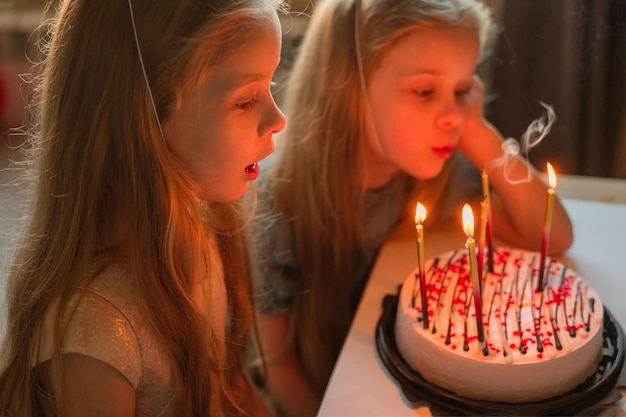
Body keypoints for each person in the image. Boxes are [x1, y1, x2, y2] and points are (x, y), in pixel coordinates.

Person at [250, 0, 574, 415]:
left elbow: (554, 236)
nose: (452, 115)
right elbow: (280, 372)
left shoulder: (438, 173)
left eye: (462, 92)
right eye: (425, 91)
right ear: (348, 84)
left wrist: (478, 132)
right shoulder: (274, 201)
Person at [0, 0, 286, 415]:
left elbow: (229, 387)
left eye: (270, 87)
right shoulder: (95, 336)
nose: (278, 118)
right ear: (141, 119)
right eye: (245, 100)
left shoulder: (204, 220)